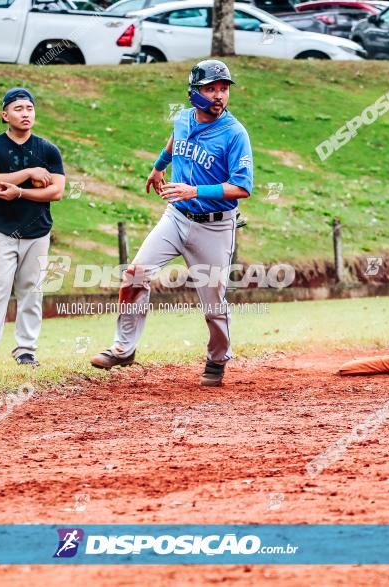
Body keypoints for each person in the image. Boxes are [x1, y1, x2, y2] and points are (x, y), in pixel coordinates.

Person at [90, 60, 254, 386]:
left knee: (213, 303)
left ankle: (217, 359)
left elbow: (242, 187)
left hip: (214, 226)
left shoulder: (235, 134)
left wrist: (194, 190)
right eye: (211, 88)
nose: (219, 95)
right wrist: (158, 166)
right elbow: (174, 140)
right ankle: (124, 348)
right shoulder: (182, 117)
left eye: (224, 89)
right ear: (195, 93)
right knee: (135, 274)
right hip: (176, 217)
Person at [0, 87, 65, 368]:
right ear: (4, 115)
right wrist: (29, 173)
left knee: (31, 291)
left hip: (37, 232)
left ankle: (26, 350)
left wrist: (20, 191)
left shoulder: (48, 149)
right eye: (18, 109)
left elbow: (57, 192)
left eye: (30, 109)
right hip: (1, 231)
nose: (26, 114)